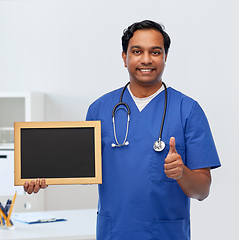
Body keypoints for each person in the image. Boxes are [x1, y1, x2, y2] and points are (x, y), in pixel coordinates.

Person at [24, 20, 221, 240]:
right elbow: (83, 170)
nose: (146, 59)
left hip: (165, 233)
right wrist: (44, 173)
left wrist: (182, 172)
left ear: (165, 57)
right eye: (137, 51)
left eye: (155, 52)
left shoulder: (188, 110)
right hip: (114, 232)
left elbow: (202, 191)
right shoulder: (99, 109)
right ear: (124, 57)